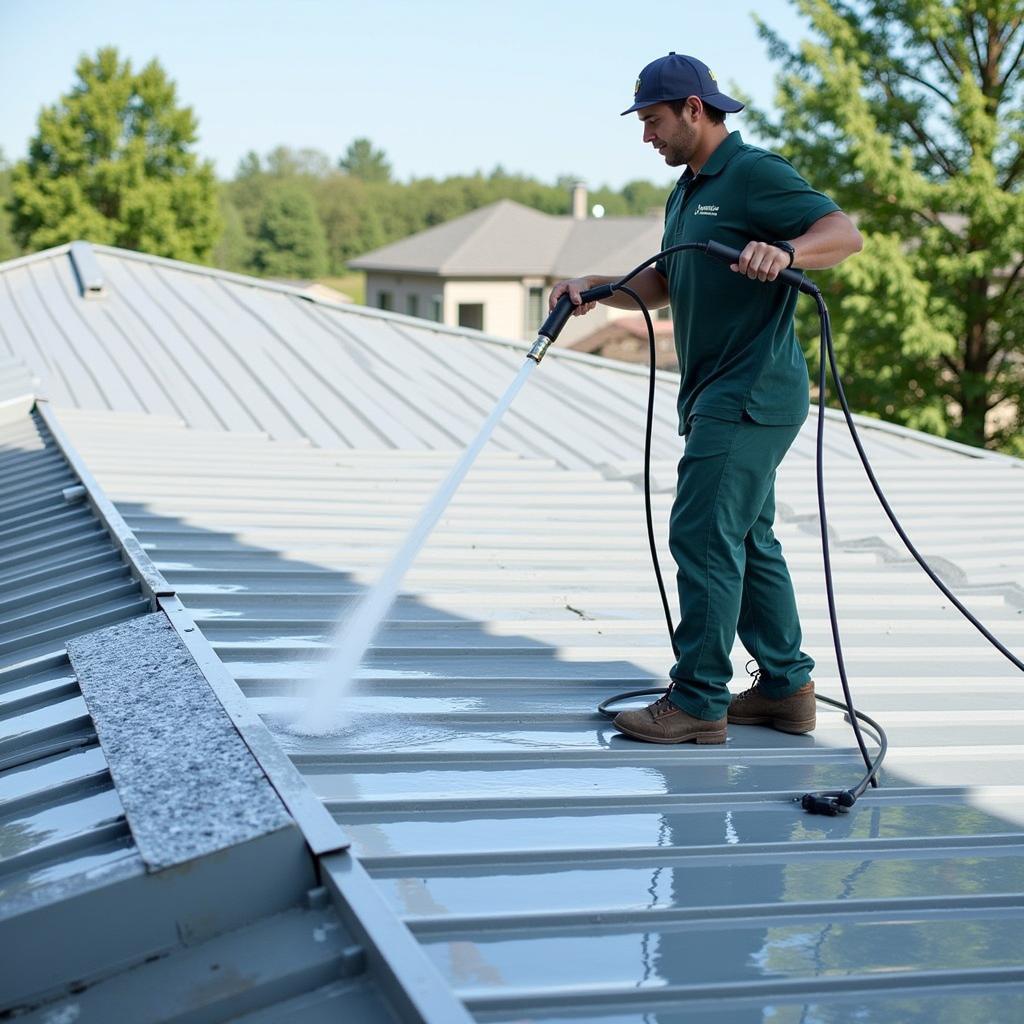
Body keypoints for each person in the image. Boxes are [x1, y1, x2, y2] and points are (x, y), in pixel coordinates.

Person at [550, 53, 863, 745]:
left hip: (748, 391)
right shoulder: (687, 190)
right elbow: (675, 275)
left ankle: (697, 700)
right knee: (748, 538)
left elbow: (843, 234)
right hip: (718, 392)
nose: (646, 137)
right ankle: (786, 690)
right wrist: (606, 286)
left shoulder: (754, 172)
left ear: (695, 108)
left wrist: (786, 251)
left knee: (701, 532)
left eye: (654, 121)